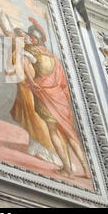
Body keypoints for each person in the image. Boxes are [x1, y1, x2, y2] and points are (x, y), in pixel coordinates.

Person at [20, 18, 90, 178]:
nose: (29, 39)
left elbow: (24, 64)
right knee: (69, 134)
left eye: (31, 37)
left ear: (35, 38)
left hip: (45, 96)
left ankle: (67, 169)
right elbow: (63, 82)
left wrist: (31, 82)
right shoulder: (53, 57)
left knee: (53, 132)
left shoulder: (31, 51)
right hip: (59, 98)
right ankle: (86, 171)